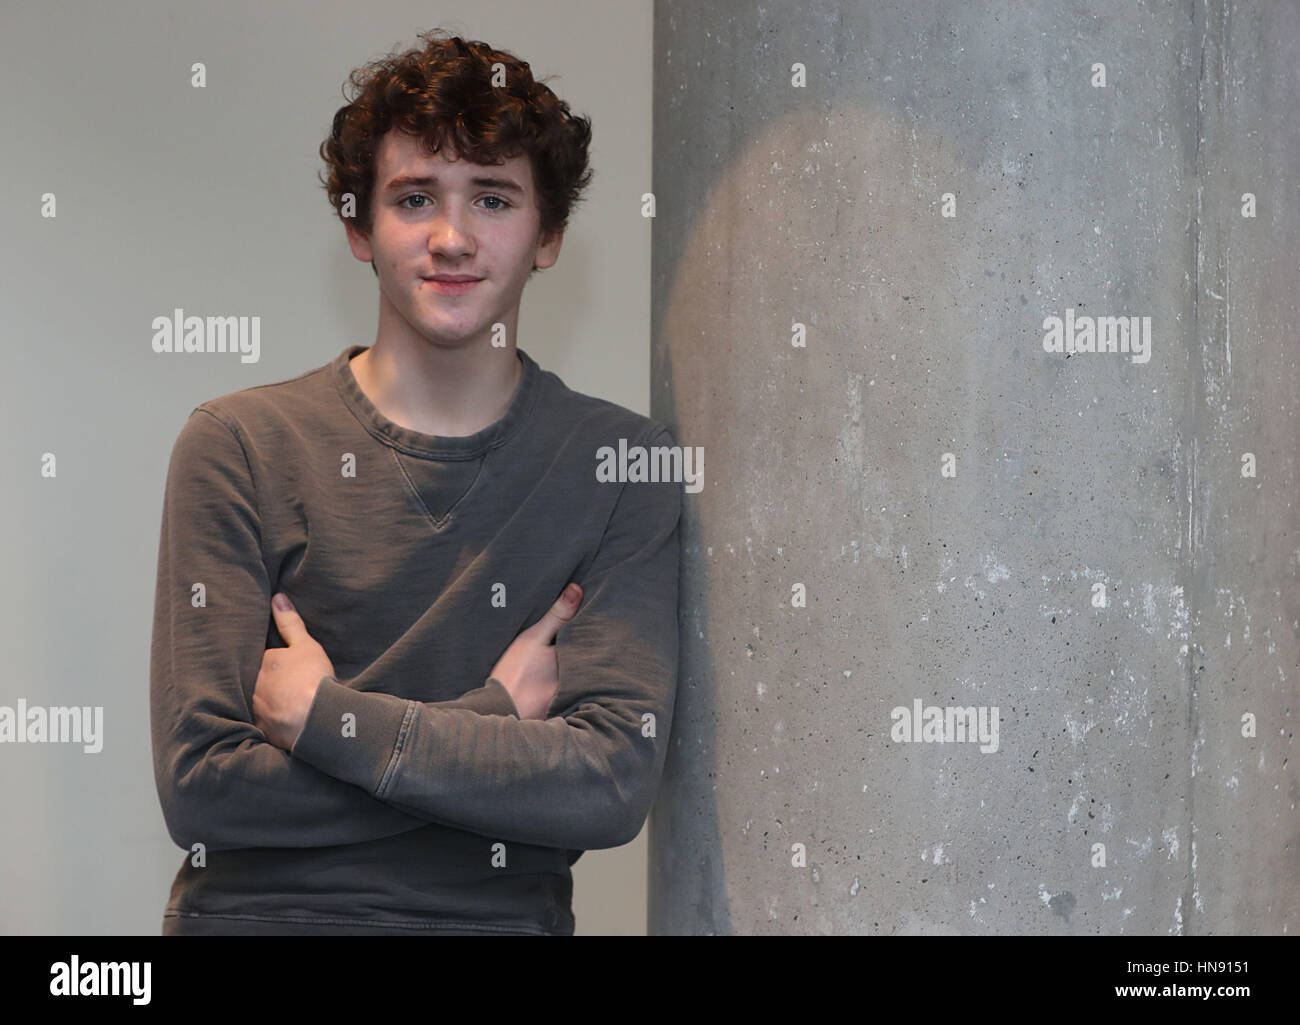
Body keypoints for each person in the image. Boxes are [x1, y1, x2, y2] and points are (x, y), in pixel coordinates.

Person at [149, 29, 682, 936]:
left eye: (493, 198)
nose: (452, 238)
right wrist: (493, 717)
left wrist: (326, 722)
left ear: (549, 234)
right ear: (359, 228)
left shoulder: (622, 465)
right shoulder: (239, 445)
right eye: (414, 198)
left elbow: (607, 786)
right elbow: (204, 790)